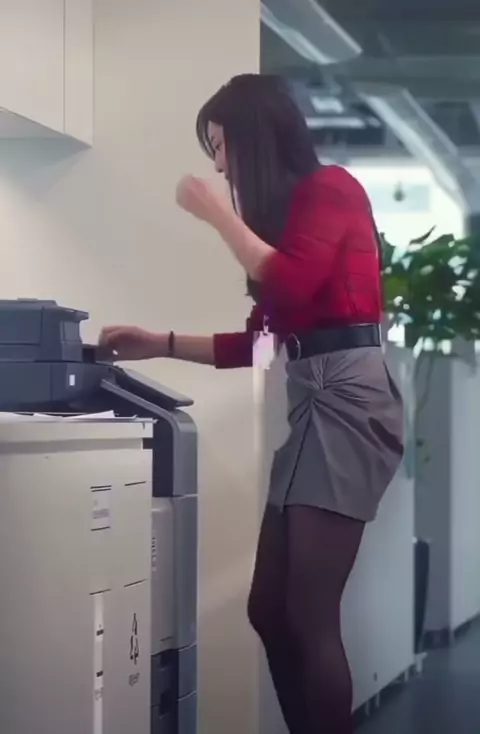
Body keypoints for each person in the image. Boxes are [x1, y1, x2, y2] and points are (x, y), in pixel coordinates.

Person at [98, 74, 404, 734]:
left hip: (350, 401)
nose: (217, 165)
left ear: (253, 137)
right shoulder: (287, 225)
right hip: (313, 402)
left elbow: (290, 280)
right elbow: (263, 345)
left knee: (310, 614)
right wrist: (159, 343)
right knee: (269, 609)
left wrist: (217, 215)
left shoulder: (333, 190)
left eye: (219, 145)